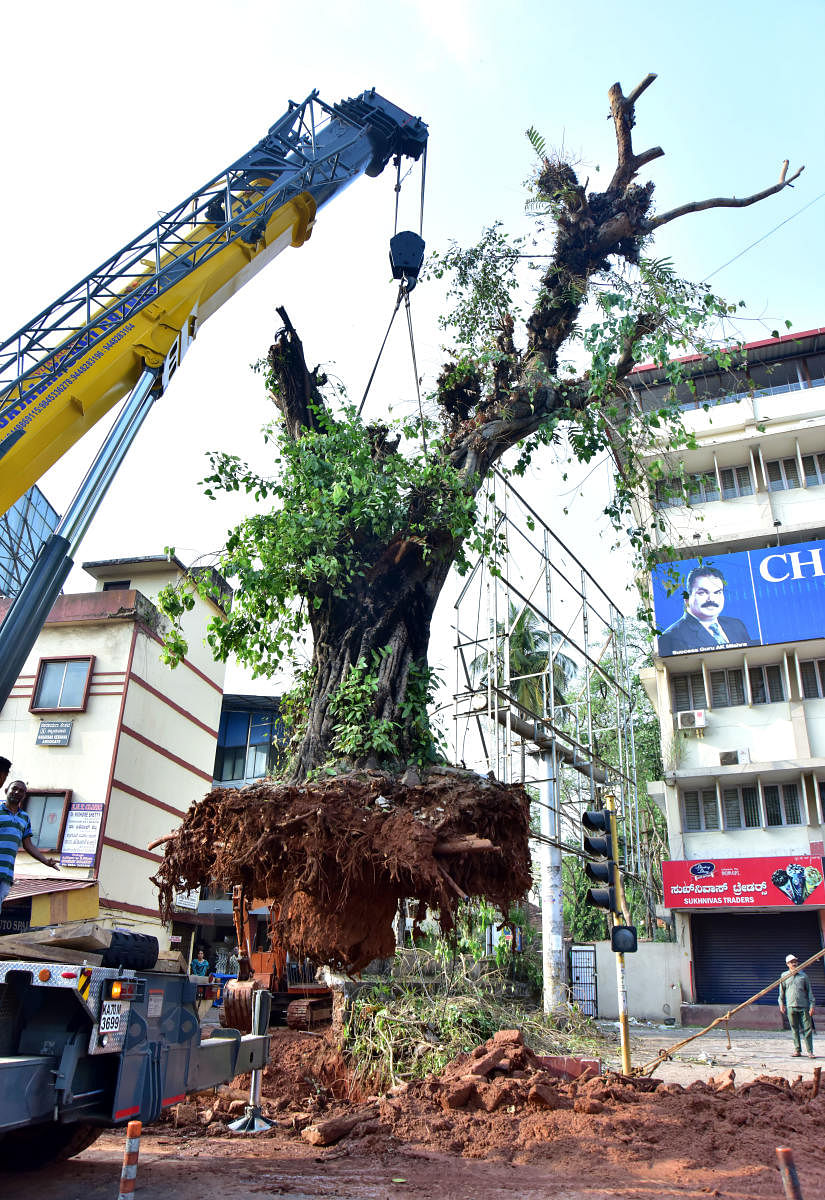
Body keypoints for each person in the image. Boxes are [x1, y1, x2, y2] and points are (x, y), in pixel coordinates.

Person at [658, 566, 756, 655]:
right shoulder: (670, 637)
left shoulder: (737, 625)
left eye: (717, 592)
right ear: (687, 599)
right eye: (702, 593)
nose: (711, 599)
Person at [0, 780, 60, 905]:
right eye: (14, 788)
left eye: (21, 791)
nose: (17, 792)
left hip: (6, 873)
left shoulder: (25, 818)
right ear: (6, 790)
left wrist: (45, 861)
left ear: (24, 796)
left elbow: (28, 845)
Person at [778, 953, 816, 1058]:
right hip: (791, 1006)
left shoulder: (803, 976)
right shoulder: (784, 976)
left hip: (804, 1006)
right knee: (794, 1029)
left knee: (807, 1029)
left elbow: (809, 992)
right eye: (791, 962)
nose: (794, 963)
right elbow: (781, 992)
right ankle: (797, 1050)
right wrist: (781, 1004)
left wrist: (812, 1006)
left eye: (795, 961)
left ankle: (810, 1051)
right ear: (787, 964)